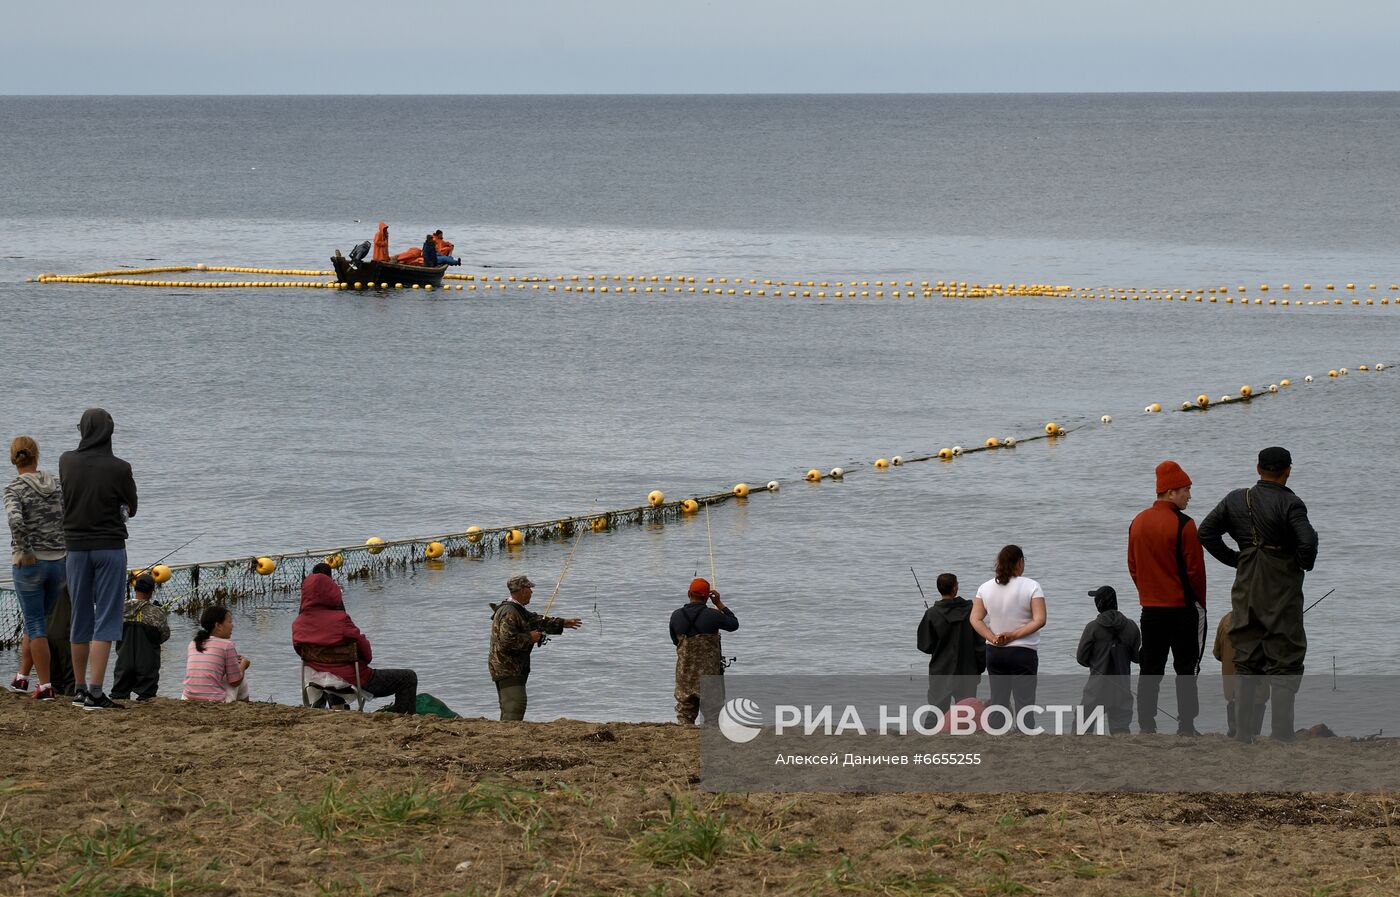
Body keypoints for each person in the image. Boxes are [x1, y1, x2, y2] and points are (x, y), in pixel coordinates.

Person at [1197, 446, 1318, 742]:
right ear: (1288, 470)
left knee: (1247, 656)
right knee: (1286, 657)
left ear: (1258, 468)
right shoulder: (1292, 504)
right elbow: (1307, 546)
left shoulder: (1237, 499)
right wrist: (1301, 563)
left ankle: (1242, 734)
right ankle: (1281, 733)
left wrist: (1237, 558)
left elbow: (1206, 532)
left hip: (1246, 587)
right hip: (1282, 589)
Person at [59, 408, 138, 710]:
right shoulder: (120, 467)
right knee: (105, 616)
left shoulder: (66, 460)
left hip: (75, 548)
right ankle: (95, 691)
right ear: (109, 432)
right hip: (109, 548)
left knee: (80, 615)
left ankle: (79, 690)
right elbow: (131, 506)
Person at [1127, 460, 1208, 735]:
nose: (1189, 496)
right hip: (1182, 608)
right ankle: (1186, 725)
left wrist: (1147, 592)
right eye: (1185, 490)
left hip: (1150, 609)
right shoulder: (1185, 525)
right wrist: (1200, 604)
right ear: (1171, 491)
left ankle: (1146, 724)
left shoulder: (1137, 522)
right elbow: (1196, 571)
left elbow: (1133, 566)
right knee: (1186, 668)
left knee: (1150, 668)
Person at [292, 564, 419, 713]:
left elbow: (300, 651)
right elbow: (367, 654)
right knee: (408, 678)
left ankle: (333, 704)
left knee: (332, 673)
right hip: (353, 680)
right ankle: (404, 719)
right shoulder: (340, 620)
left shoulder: (298, 623)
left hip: (317, 680)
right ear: (332, 591)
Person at [5, 436, 66, 701]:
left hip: (30, 565)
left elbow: (15, 520)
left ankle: (45, 686)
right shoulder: (57, 485)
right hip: (59, 562)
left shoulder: (14, 489)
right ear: (36, 456)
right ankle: (22, 676)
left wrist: (25, 550)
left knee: (36, 623)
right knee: (37, 618)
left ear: (13, 458)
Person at [488, 573, 582, 721]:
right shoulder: (509, 612)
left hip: (511, 666)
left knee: (511, 705)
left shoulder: (517, 609)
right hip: (507, 666)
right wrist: (529, 638)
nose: (532, 592)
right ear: (522, 590)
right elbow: (506, 641)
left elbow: (537, 621)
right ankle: (508, 738)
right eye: (529, 588)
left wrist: (563, 623)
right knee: (515, 705)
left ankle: (506, 735)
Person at [970, 545, 1046, 719]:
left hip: (995, 652)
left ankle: (997, 732)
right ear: (1019, 563)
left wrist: (993, 637)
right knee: (1024, 701)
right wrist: (1013, 635)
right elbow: (1040, 619)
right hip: (1023, 651)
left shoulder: (985, 587)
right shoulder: (1032, 586)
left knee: (998, 700)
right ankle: (1025, 733)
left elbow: (975, 619)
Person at [669, 577, 738, 725]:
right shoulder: (714, 615)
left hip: (685, 676)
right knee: (713, 716)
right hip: (709, 675)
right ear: (707, 597)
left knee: (684, 715)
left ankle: (685, 739)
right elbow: (734, 624)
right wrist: (719, 604)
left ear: (689, 593)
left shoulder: (676, 616)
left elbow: (675, 641)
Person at [916, 573, 986, 715]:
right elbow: (980, 643)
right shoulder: (971, 611)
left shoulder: (932, 613)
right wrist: (979, 668)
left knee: (936, 711)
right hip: (967, 670)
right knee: (966, 713)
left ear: (939, 589)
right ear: (955, 588)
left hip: (941, 671)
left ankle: (931, 734)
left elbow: (925, 645)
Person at [1076, 585, 1142, 735]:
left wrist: (1095, 662)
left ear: (1098, 605)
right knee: (1121, 732)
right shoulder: (1131, 627)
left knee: (1081, 729)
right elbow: (1136, 658)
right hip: (1122, 689)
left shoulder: (1092, 628)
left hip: (1096, 689)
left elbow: (1081, 658)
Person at [112, 572, 170, 702]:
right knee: (147, 697)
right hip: (147, 664)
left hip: (123, 662)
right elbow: (164, 636)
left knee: (118, 696)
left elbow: (112, 631)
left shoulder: (120, 609)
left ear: (134, 588)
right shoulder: (157, 612)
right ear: (152, 591)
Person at [1213, 609, 1267, 738]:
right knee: (1258, 700)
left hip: (1231, 684)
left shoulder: (1225, 620)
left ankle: (1234, 730)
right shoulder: (1266, 622)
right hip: (1257, 684)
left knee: (1234, 699)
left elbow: (1217, 653)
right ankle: (1253, 732)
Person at [182, 606, 249, 702]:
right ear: (218, 626)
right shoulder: (227, 645)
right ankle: (245, 706)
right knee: (241, 676)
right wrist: (244, 664)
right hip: (214, 700)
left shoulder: (193, 643)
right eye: (230, 622)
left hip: (187, 697)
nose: (232, 625)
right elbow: (235, 681)